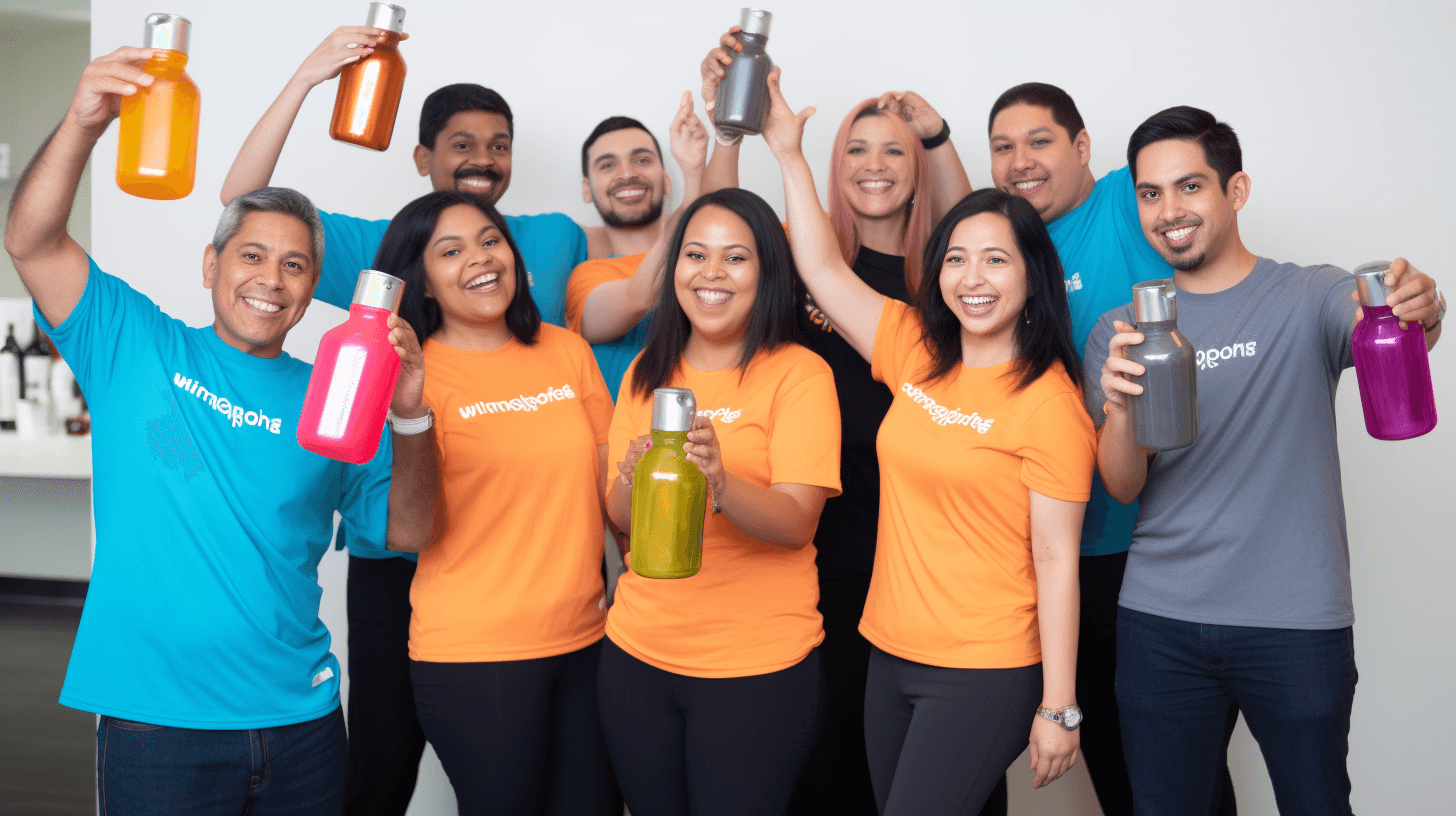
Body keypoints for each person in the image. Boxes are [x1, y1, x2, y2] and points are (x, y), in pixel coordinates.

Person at [3, 47, 431, 814]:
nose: (271, 279)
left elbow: (410, 528)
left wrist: (411, 415)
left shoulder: (339, 397)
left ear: (312, 290)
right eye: (253, 255)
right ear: (211, 264)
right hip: (157, 729)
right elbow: (31, 242)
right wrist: (82, 123)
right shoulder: (134, 345)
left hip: (301, 724)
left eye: (296, 266)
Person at [218, 28, 589, 814]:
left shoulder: (553, 238)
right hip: (399, 549)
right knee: (385, 757)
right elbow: (241, 203)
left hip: (529, 555)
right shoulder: (386, 249)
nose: (482, 158)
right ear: (421, 158)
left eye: (499, 144)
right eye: (461, 144)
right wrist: (307, 79)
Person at [1086, 105, 1443, 816]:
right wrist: (1122, 409)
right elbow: (1122, 485)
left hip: (1295, 622)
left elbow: (1395, 330)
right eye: (1150, 194)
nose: (1168, 211)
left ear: (1236, 191)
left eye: (1189, 187)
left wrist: (1423, 307)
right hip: (1160, 622)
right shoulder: (1119, 331)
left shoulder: (1308, 296)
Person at [762, 68, 1095, 815]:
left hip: (982, 668)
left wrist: (1059, 705)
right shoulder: (914, 349)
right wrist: (787, 152)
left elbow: (1055, 560)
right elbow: (816, 266)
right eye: (956, 258)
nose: (971, 279)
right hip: (888, 650)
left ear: (1032, 278)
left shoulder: (1051, 406)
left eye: (996, 259)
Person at [697, 31, 993, 816]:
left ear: (918, 169)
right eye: (856, 148)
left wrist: (937, 136)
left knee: (929, 759)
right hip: (821, 536)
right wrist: (731, 132)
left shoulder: (955, 282)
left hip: (928, 542)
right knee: (827, 756)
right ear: (832, 164)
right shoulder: (805, 259)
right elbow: (721, 222)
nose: (872, 164)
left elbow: (978, 220)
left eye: (894, 152)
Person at [987, 81, 1209, 815]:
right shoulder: (1007, 250)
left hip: (1153, 544)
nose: (1021, 161)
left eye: (1040, 141)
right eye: (1003, 147)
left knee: (1180, 766)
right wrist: (932, 139)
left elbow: (1187, 186)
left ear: (1084, 149)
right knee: (1118, 764)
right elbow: (967, 227)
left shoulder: (1122, 201)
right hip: (1057, 550)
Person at [375, 191, 621, 816]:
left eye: (490, 241)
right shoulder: (408, 377)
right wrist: (411, 415)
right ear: (422, 283)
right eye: (450, 251)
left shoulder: (566, 351)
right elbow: (407, 529)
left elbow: (611, 501)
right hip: (474, 657)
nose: (481, 260)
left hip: (586, 641)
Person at [598, 187, 842, 816]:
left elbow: (796, 523)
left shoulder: (800, 374)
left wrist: (722, 485)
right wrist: (632, 476)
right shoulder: (647, 371)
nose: (711, 274)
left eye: (735, 259)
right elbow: (621, 520)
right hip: (636, 656)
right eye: (695, 255)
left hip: (756, 668)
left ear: (767, 274)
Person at [566, 93, 708, 400]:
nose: (627, 173)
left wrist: (696, 169)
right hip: (625, 444)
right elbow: (640, 295)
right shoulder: (587, 276)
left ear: (667, 181)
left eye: (642, 160)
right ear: (587, 190)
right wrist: (694, 180)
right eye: (607, 165)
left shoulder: (710, 260)